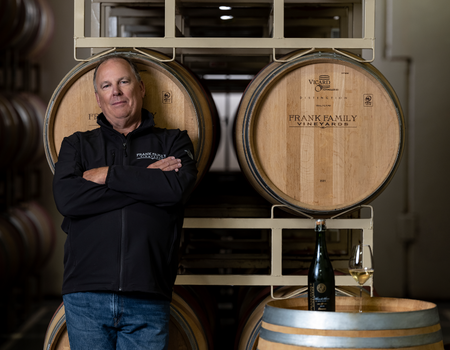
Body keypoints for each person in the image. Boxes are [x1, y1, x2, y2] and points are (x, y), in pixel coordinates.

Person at [52, 54, 198, 350]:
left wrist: (107, 174)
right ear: (98, 97)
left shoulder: (173, 142)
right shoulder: (77, 144)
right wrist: (145, 181)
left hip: (147, 292)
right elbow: (68, 199)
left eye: (123, 81)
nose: (115, 91)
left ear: (141, 88)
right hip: (86, 294)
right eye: (106, 85)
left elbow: (174, 190)